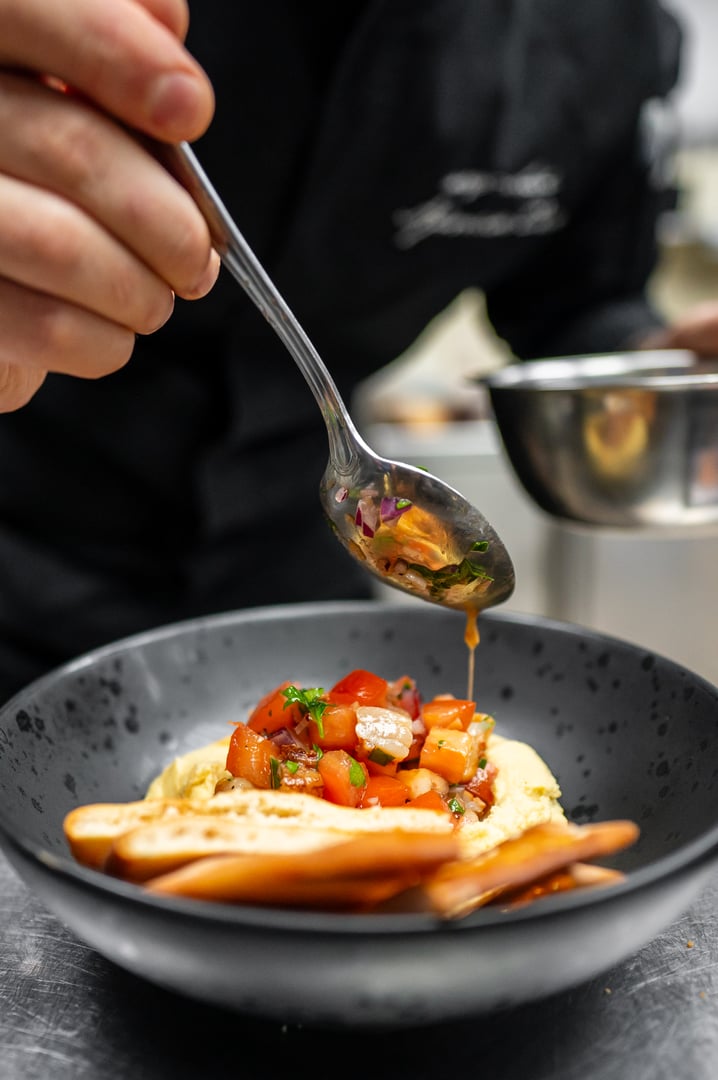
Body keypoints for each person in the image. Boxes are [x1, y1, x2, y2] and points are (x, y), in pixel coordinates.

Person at [0, 0, 715, 702]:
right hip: (24, 550)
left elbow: (580, 303)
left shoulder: (609, 33)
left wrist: (661, 375)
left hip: (299, 576)